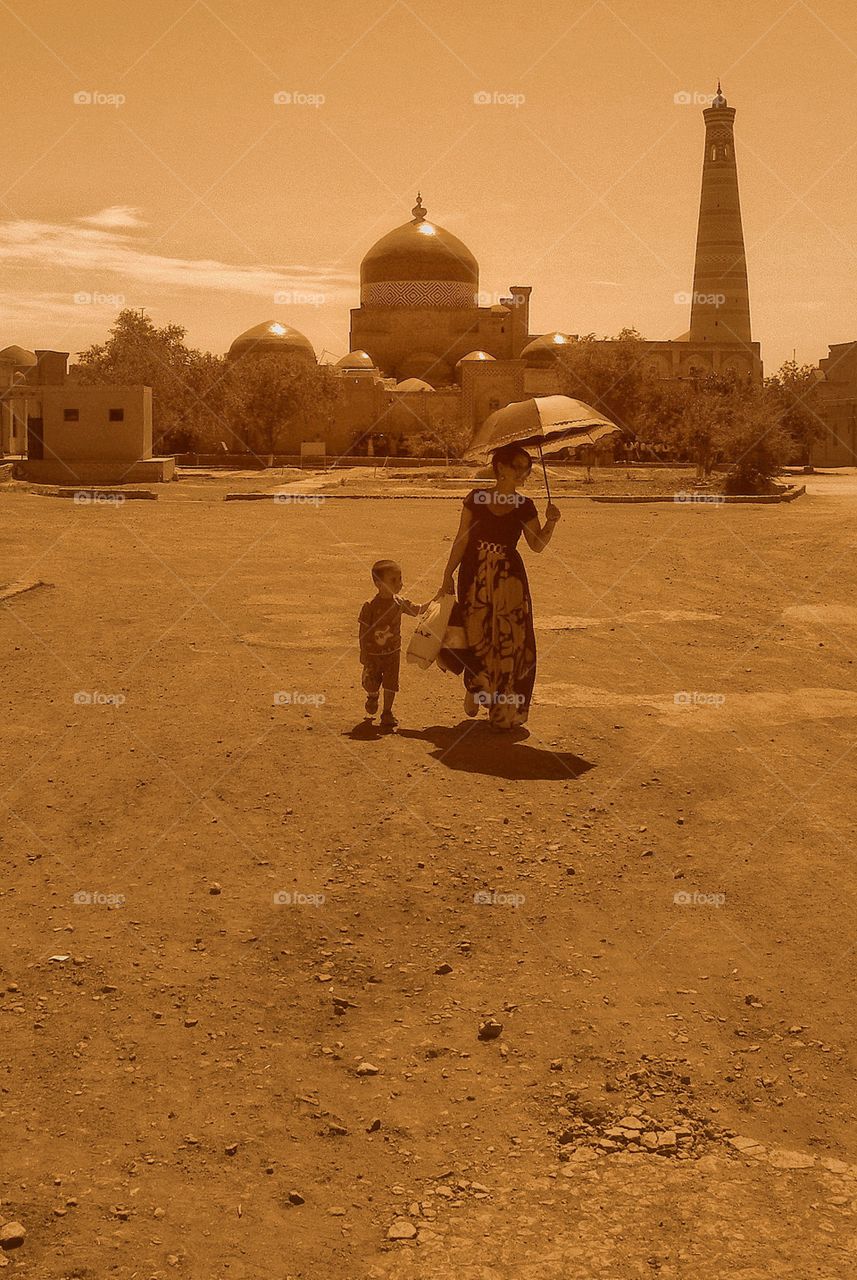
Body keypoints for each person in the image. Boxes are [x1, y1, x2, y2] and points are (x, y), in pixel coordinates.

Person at [436, 444, 561, 732]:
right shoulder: (476, 499)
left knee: (510, 641)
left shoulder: (524, 505)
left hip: (509, 580)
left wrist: (551, 523)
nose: (523, 472)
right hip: (474, 575)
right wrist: (447, 574)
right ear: (500, 467)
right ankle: (475, 685)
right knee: (476, 635)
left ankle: (503, 707)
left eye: (527, 468)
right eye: (518, 466)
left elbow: (536, 545)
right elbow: (461, 539)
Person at [359, 560, 429, 729]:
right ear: (379, 584)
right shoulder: (370, 606)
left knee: (391, 683)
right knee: (371, 682)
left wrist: (436, 600)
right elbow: (363, 631)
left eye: (400, 579)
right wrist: (363, 652)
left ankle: (387, 712)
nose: (399, 583)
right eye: (393, 580)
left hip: (393, 653)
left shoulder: (400, 603)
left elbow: (417, 610)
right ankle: (372, 695)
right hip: (373, 654)